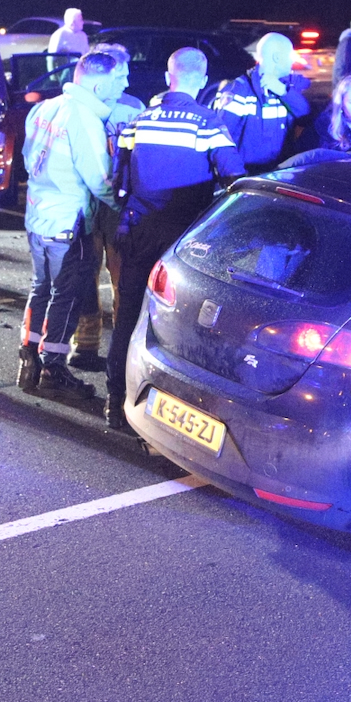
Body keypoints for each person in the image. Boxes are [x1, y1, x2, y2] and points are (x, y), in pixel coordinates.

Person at [105, 48, 245, 433]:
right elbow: (235, 177)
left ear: (169, 77)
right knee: (174, 329)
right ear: (201, 80)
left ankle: (115, 402)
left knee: (127, 318)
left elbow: (119, 180)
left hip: (137, 232)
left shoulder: (139, 120)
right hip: (182, 245)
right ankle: (163, 411)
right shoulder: (208, 123)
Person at [17, 49, 116, 400]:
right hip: (67, 222)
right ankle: (52, 368)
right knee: (66, 295)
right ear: (100, 85)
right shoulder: (84, 118)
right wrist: (124, 204)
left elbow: (30, 158)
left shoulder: (45, 107)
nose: (124, 86)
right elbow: (101, 179)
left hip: (38, 216)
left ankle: (28, 356)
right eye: (119, 80)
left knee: (40, 287)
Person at [70, 43, 146, 371]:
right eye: (121, 75)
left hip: (119, 206)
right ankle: (85, 342)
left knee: (123, 275)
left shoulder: (133, 108)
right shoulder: (78, 108)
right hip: (86, 204)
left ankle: (122, 345)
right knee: (84, 273)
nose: (126, 82)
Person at [211, 31, 310, 171]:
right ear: (277, 57)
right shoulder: (239, 90)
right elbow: (222, 140)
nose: (292, 61)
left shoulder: (286, 87)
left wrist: (282, 91)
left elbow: (305, 116)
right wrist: (235, 175)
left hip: (280, 172)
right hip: (249, 174)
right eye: (290, 56)